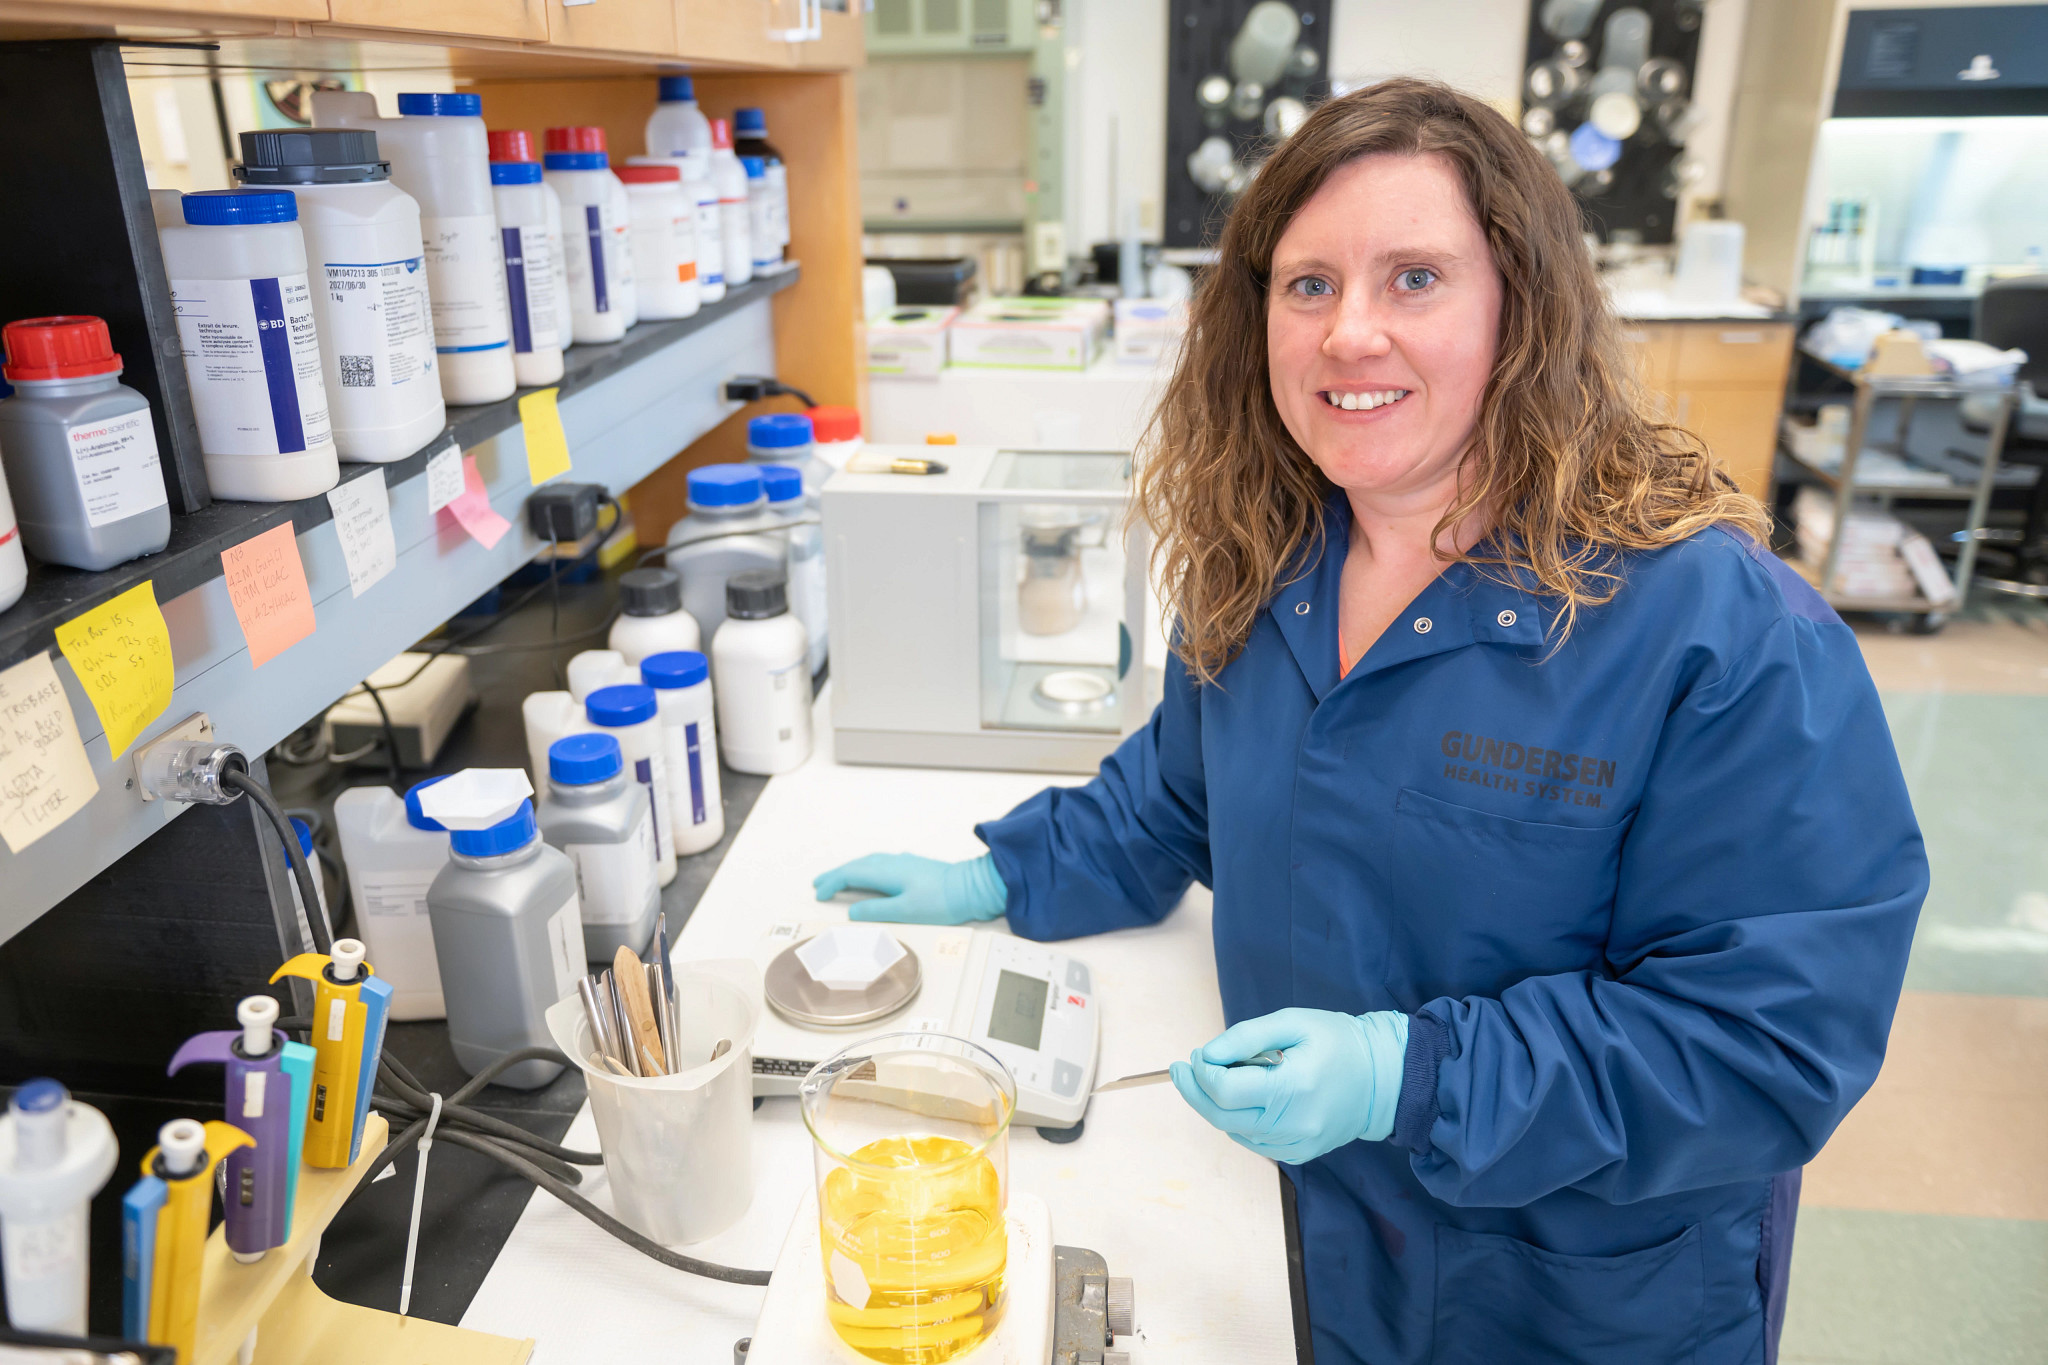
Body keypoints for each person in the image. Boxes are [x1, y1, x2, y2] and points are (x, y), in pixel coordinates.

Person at [815, 79, 1924, 1365]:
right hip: (1302, 1238)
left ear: (1520, 308)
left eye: (1414, 279)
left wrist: (1410, 1076)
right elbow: (1178, 798)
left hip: (1561, 1297)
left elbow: (1765, 1038)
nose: (1349, 333)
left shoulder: (1720, 632)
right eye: (1308, 285)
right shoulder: (1266, 556)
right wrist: (997, 875)